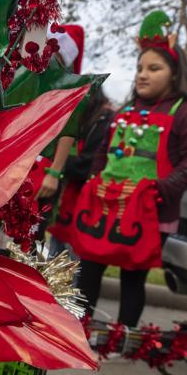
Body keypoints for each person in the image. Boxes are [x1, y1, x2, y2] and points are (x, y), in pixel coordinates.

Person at [72, 11, 187, 326]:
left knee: (133, 278)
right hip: (106, 208)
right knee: (89, 268)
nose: (142, 74)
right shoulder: (125, 112)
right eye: (139, 68)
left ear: (175, 73)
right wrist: (94, 181)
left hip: (151, 216)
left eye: (154, 68)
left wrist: (158, 190)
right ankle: (79, 333)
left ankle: (120, 342)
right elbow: (103, 154)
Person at [47, 87, 114, 258]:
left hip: (85, 199)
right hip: (69, 197)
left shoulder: (104, 121)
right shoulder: (93, 119)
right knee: (58, 248)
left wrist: (55, 164)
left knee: (70, 256)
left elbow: (87, 164)